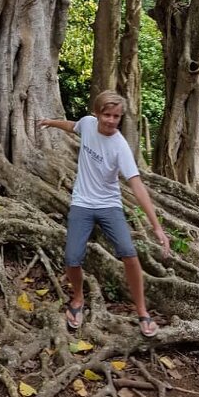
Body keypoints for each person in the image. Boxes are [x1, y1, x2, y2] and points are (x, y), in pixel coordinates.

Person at [40, 90, 170, 337]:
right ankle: (77, 300)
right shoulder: (88, 125)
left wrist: (157, 227)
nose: (111, 120)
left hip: (109, 205)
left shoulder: (120, 146)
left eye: (116, 116)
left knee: (129, 254)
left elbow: (137, 186)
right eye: (107, 115)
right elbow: (72, 126)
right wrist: (50, 122)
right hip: (82, 203)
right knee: (72, 258)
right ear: (97, 114)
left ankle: (142, 311)